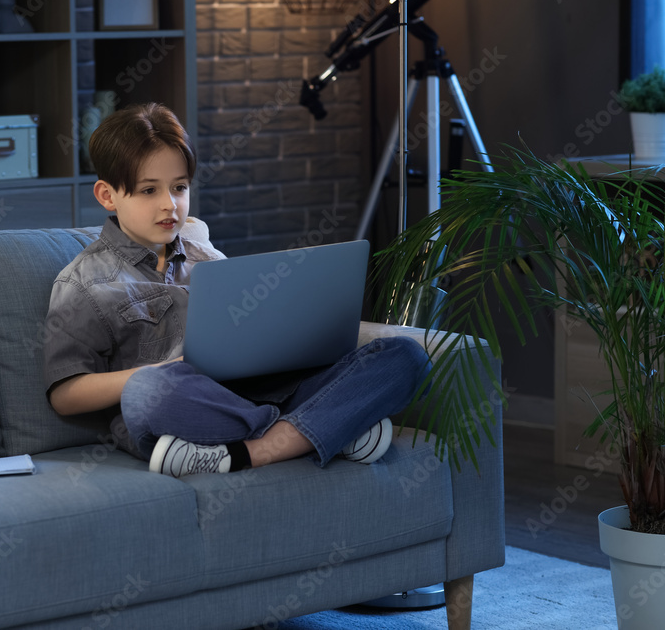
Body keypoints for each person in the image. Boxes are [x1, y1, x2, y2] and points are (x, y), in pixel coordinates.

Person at [43, 102, 430, 478]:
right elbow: (65, 393)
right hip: (184, 406)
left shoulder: (208, 258)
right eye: (149, 191)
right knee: (147, 392)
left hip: (261, 392)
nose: (170, 206)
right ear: (108, 195)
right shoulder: (83, 282)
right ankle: (323, 427)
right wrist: (154, 372)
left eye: (179, 187)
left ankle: (254, 450)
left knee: (405, 355)